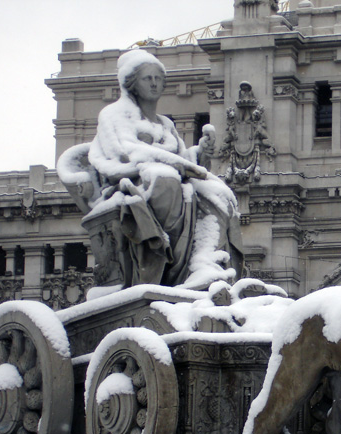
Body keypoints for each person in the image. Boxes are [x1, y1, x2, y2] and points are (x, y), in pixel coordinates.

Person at [87, 49, 243, 288]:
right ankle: (170, 267)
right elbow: (124, 153)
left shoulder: (166, 123)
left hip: (172, 182)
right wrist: (176, 163)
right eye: (147, 78)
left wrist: (199, 153)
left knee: (220, 194)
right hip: (133, 183)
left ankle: (202, 260)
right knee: (166, 182)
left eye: (158, 79)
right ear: (132, 84)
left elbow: (181, 157)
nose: (154, 83)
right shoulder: (114, 115)